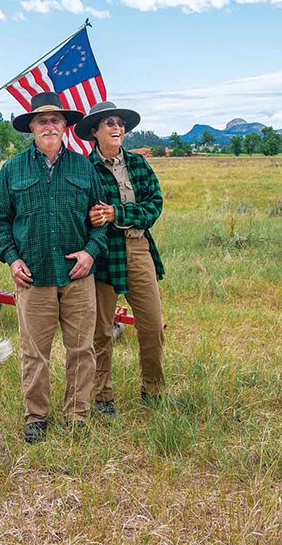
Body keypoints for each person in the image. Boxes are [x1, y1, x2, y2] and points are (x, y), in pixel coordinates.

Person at [0, 92, 108, 443]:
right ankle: (36, 418)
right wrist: (12, 258)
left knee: (81, 350)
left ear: (65, 126)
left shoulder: (83, 168)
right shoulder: (12, 170)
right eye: (42, 121)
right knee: (34, 353)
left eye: (56, 120)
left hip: (77, 276)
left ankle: (77, 415)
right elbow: (0, 221)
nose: (49, 126)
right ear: (31, 127)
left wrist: (89, 252)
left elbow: (100, 219)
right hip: (34, 276)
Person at [75, 101, 167, 415]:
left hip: (138, 247)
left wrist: (118, 213)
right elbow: (84, 213)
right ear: (95, 133)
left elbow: (154, 204)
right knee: (101, 330)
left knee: (152, 324)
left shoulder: (139, 165)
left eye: (120, 124)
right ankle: (102, 397)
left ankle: (153, 390)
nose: (117, 129)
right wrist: (97, 218)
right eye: (109, 124)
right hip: (104, 253)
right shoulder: (85, 170)